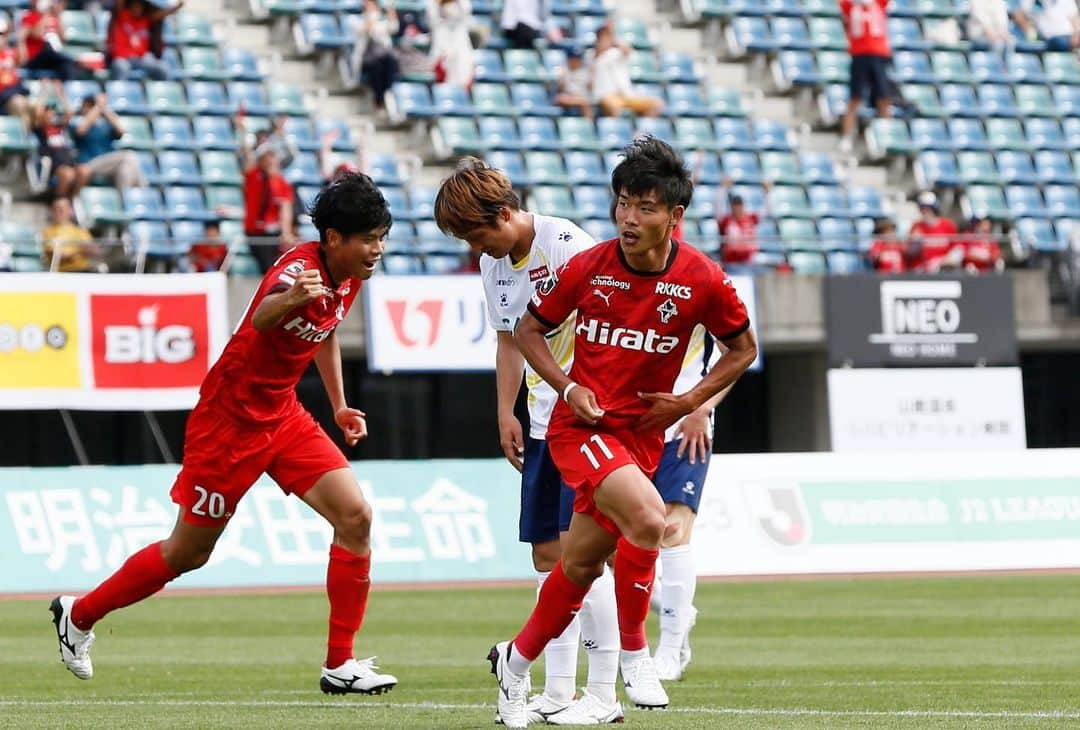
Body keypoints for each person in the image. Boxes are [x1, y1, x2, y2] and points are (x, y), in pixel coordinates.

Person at [50, 172, 399, 698]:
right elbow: (262, 315)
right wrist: (292, 300)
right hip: (229, 423)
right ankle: (79, 613)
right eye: (369, 238)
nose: (378, 249)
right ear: (334, 239)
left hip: (282, 414)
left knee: (356, 517)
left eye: (381, 237)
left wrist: (339, 404)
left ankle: (339, 664)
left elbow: (323, 335)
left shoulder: (348, 277)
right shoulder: (300, 269)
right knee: (187, 553)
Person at [487, 136, 757, 728]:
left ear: (675, 216)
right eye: (622, 204)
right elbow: (528, 331)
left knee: (579, 567)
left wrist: (689, 401)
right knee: (649, 518)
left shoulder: (702, 279)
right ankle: (638, 654)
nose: (629, 219)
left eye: (645, 207)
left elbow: (743, 348)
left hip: (642, 436)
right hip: (579, 427)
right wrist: (565, 386)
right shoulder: (590, 266)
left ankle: (514, 661)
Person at [434, 159, 623, 725]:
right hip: (540, 422)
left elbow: (607, 322)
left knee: (583, 557)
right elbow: (508, 342)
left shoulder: (566, 245)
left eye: (477, 234)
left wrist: (589, 397)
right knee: (548, 555)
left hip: (584, 421)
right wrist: (505, 412)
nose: (476, 248)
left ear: (504, 213)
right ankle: (560, 690)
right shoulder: (493, 266)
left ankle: (605, 693)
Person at [648, 331, 732, 682]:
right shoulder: (623, 280)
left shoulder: (704, 281)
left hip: (686, 428)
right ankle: (678, 610)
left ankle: (669, 650)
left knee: (673, 529)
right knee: (611, 548)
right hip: (635, 424)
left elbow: (738, 350)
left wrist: (702, 407)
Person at [839, 0, 893, 153]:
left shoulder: (878, 3)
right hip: (860, 55)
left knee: (884, 98)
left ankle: (887, 137)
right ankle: (847, 137)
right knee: (855, 98)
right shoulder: (850, 5)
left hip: (878, 55)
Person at [70, 94, 146, 192]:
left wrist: (104, 108)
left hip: (110, 164)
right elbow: (80, 131)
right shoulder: (77, 121)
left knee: (125, 170)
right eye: (89, 106)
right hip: (90, 163)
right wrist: (98, 107)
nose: (88, 109)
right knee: (129, 155)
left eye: (91, 106)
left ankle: (125, 200)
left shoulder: (105, 123)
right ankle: (143, 191)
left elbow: (121, 131)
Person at [242, 141, 296, 274]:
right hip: (254, 231)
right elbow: (247, 158)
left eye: (273, 156)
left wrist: (286, 232)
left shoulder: (281, 183)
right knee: (266, 267)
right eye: (267, 156)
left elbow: (285, 209)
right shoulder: (253, 176)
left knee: (270, 267)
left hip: (272, 232)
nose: (271, 160)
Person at [590, 23, 663, 118]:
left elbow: (627, 51)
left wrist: (613, 39)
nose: (606, 40)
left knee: (657, 104)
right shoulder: (592, 55)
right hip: (606, 95)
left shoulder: (615, 53)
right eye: (603, 37)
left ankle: (641, 130)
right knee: (615, 108)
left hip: (625, 94)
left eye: (607, 37)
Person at [106, 0, 182, 80]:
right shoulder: (122, 16)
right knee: (121, 67)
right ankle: (120, 91)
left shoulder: (145, 20)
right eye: (135, 6)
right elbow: (119, 4)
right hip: (123, 58)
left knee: (163, 67)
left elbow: (160, 14)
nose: (137, 9)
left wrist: (178, 6)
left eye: (139, 7)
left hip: (142, 58)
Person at [32, 96, 88, 199]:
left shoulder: (61, 129)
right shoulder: (40, 130)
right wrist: (43, 92)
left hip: (68, 162)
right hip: (53, 165)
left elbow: (69, 112)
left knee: (84, 171)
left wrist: (60, 94)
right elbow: (37, 112)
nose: (51, 115)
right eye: (48, 113)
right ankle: (59, 200)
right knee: (67, 174)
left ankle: (72, 200)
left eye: (53, 113)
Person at [351, 0, 400, 112]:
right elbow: (365, 30)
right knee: (377, 66)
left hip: (385, 59)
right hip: (366, 59)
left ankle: (387, 95)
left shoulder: (382, 22)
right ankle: (379, 100)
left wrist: (390, 9)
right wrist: (371, 17)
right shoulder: (356, 20)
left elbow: (394, 27)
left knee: (391, 61)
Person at [17, 0, 78, 82]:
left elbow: (63, 38)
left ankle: (68, 86)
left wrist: (57, 15)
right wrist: (46, 14)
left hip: (52, 56)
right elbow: (37, 34)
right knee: (60, 57)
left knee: (66, 65)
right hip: (35, 56)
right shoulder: (31, 16)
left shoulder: (54, 18)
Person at [716, 177, 769, 268]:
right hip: (730, 263)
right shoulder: (726, 220)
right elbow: (718, 209)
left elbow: (765, 211)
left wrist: (767, 193)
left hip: (748, 262)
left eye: (739, 206)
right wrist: (723, 189)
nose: (738, 210)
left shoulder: (750, 218)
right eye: (735, 207)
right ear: (732, 207)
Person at [41, 195, 104, 272]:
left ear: (70, 210)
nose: (59, 212)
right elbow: (57, 255)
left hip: (84, 272)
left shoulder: (80, 230)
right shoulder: (48, 232)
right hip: (62, 273)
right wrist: (80, 250)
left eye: (63, 209)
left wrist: (73, 251)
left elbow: (95, 251)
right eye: (56, 209)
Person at [908, 191, 959, 272]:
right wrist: (916, 243)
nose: (925, 211)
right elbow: (911, 254)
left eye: (929, 208)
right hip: (922, 270)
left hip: (943, 269)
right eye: (923, 208)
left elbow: (957, 250)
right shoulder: (916, 226)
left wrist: (941, 262)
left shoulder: (947, 225)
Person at [429, 0, 474, 88]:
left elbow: (466, 9)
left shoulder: (461, 26)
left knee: (463, 64)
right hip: (442, 47)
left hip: (460, 45)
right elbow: (432, 16)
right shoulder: (439, 26)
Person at [0, 18, 32, 129]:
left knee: (34, 106)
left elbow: (24, 59)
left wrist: (20, 40)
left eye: (3, 35)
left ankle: (27, 139)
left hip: (15, 90)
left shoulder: (10, 52)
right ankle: (23, 141)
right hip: (3, 94)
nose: (1, 38)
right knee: (19, 104)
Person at [1013, 0, 1080, 51]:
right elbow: (1018, 14)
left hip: (1068, 36)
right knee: (1061, 42)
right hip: (1051, 37)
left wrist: (1076, 35)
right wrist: (1029, 28)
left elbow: (1075, 18)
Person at [554, 46, 592, 119]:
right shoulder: (563, 70)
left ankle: (589, 127)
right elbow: (558, 91)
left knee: (584, 102)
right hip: (566, 97)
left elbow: (590, 89)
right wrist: (562, 79)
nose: (576, 61)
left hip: (580, 97)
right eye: (573, 58)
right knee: (562, 98)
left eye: (578, 58)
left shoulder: (585, 72)